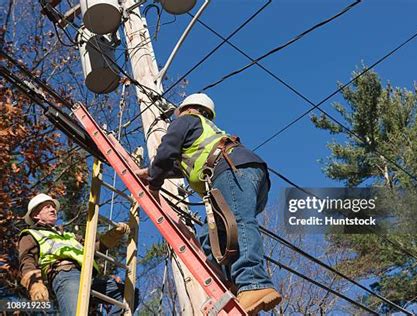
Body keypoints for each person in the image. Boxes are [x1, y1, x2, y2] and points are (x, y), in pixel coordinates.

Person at [136, 93, 282, 314]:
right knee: (210, 236)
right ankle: (232, 286)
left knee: (238, 221)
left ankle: (253, 283)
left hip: (232, 170)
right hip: (244, 173)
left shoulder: (185, 120)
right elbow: (180, 165)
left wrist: (154, 184)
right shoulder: (201, 132)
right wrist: (152, 172)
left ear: (185, 109)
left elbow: (166, 152)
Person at [18, 193, 130, 315]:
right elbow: (27, 260)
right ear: (35, 215)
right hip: (65, 275)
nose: (53, 209)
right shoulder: (30, 234)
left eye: (53, 207)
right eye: (47, 207)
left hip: (87, 275)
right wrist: (35, 284)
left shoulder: (69, 236)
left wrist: (113, 235)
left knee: (128, 294)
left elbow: (92, 249)